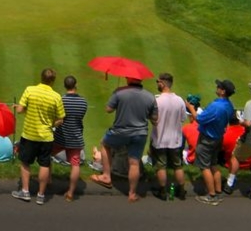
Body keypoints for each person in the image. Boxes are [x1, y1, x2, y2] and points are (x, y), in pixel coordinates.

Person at [89, 75, 158, 202]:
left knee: (104, 144)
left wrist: (116, 97)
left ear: (130, 79)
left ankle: (106, 176)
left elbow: (108, 109)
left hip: (121, 131)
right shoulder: (150, 96)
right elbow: (154, 119)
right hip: (140, 133)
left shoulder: (120, 92)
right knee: (134, 162)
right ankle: (132, 193)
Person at [12, 68, 64, 204]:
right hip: (46, 136)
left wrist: (20, 107)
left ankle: (25, 191)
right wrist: (51, 124)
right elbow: (60, 119)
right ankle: (41, 195)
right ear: (53, 81)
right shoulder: (56, 97)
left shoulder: (30, 90)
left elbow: (20, 110)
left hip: (29, 134)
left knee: (25, 162)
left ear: (41, 77)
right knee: (44, 164)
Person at [190, 80, 237, 204]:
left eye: (219, 87)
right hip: (217, 138)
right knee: (213, 164)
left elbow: (199, 119)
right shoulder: (229, 104)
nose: (217, 87)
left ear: (223, 91)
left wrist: (191, 108)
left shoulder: (216, 106)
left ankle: (211, 196)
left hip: (207, 139)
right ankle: (218, 192)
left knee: (204, 166)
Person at [150, 73, 187, 201]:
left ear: (163, 83)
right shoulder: (180, 100)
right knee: (178, 165)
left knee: (161, 166)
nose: (157, 84)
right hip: (175, 140)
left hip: (160, 139)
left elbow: (154, 120)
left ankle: (162, 192)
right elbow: (183, 118)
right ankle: (181, 191)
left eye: (158, 82)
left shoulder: (157, 100)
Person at [55, 75, 87, 201]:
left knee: (46, 157)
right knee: (75, 164)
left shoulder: (60, 100)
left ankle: (48, 181)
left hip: (60, 136)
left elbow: (58, 118)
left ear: (65, 85)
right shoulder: (83, 102)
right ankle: (70, 193)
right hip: (76, 137)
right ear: (76, 85)